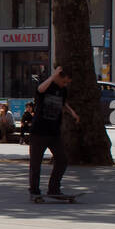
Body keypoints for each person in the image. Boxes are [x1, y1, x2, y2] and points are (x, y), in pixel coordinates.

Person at [28, 67, 79, 199]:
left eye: (67, 83)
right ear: (58, 77)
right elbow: (39, 90)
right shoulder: (47, 86)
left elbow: (63, 103)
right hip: (39, 131)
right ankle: (34, 191)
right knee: (35, 163)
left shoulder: (63, 90)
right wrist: (52, 76)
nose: (65, 84)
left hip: (54, 132)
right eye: (64, 81)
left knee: (62, 159)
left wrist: (72, 112)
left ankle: (54, 189)